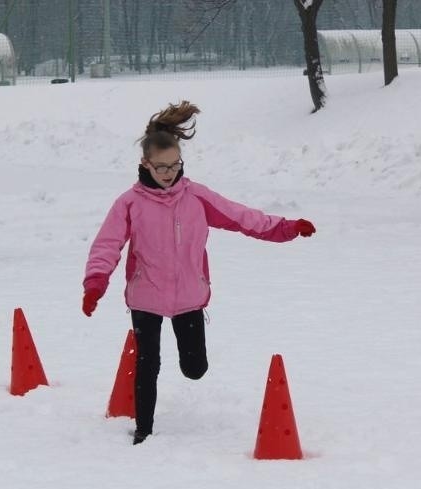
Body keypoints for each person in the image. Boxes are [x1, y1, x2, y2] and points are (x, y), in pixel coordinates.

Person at [81, 101, 316, 445]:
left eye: (175, 165)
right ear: (144, 164)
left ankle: (186, 367)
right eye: (161, 167)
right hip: (146, 296)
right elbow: (107, 244)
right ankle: (143, 429)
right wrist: (95, 282)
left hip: (190, 296)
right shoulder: (129, 203)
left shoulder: (196, 197)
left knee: (195, 369)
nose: (168, 173)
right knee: (148, 362)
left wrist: (286, 227)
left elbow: (241, 217)